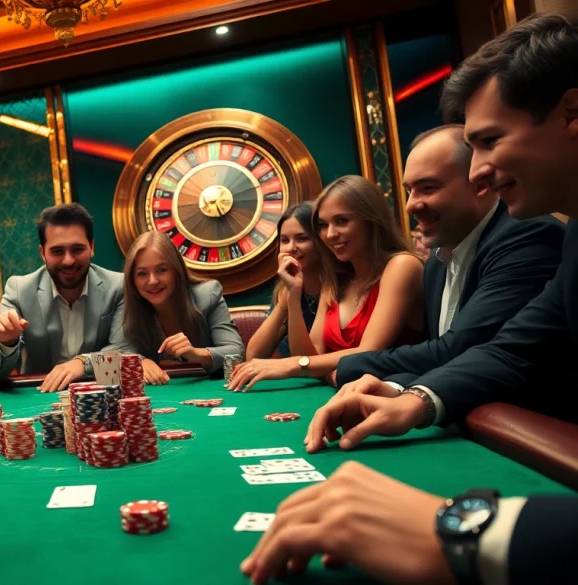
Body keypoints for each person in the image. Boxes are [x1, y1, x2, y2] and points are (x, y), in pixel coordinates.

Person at [260, 13, 578, 585]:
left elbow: (465, 346)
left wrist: (469, 529)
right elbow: (512, 349)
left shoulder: (530, 236)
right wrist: (414, 399)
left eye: (490, 141)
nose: (479, 171)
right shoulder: (572, 236)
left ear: (573, 114)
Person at [333, 124, 563, 389]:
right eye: (409, 191)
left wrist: (347, 367)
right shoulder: (437, 259)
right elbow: (438, 361)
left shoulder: (527, 236)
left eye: (427, 188)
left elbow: (459, 351)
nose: (410, 205)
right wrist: (393, 388)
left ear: (480, 185)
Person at [228, 175, 424, 391]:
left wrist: (293, 365)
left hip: (396, 398)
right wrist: (293, 295)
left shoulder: (401, 265)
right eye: (323, 225)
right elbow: (310, 356)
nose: (330, 234)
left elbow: (369, 352)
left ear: (371, 221)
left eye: (342, 221)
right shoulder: (336, 281)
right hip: (344, 394)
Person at [0, 202, 124, 392]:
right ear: (43, 253)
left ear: (91, 247)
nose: (68, 260)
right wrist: (6, 343)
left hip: (103, 394)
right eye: (57, 251)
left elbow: (125, 349)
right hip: (41, 397)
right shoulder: (18, 290)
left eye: (77, 249)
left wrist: (82, 363)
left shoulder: (118, 286)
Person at [109, 231, 244, 384]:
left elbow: (237, 352)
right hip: (158, 394)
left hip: (211, 388)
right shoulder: (129, 303)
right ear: (132, 279)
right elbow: (116, 350)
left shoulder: (208, 295)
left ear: (176, 270)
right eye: (142, 273)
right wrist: (140, 361)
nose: (152, 281)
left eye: (162, 270)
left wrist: (196, 354)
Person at [244, 202, 323, 360]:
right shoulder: (285, 290)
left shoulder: (339, 287)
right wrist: (288, 296)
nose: (291, 248)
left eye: (302, 238)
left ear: (321, 239)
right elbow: (253, 355)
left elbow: (309, 362)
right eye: (285, 240)